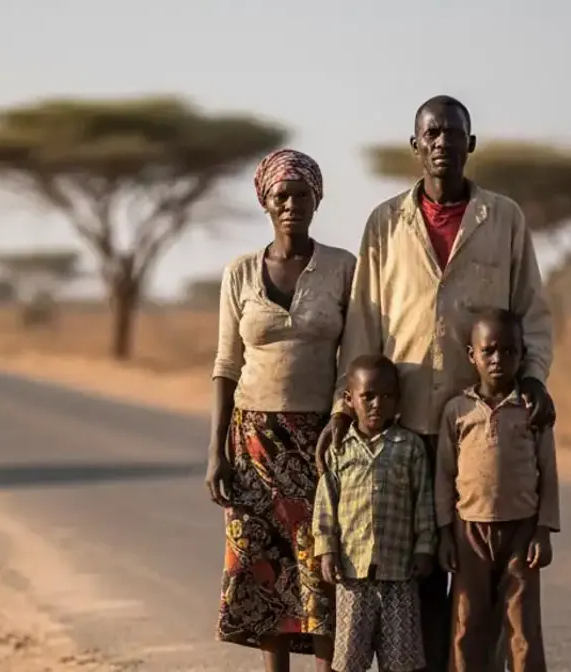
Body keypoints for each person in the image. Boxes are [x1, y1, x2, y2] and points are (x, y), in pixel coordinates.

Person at [315, 95, 557, 672]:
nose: (443, 142)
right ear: (415, 144)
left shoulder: (503, 218)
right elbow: (365, 323)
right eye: (432, 133)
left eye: (454, 133)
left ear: (470, 145)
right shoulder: (385, 222)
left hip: (484, 426)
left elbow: (532, 311)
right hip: (407, 424)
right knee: (417, 569)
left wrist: (534, 378)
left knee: (484, 578)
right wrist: (345, 408)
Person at [206, 149, 356, 672]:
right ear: (265, 203)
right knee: (264, 567)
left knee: (320, 565)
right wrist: (216, 453)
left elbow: (352, 359)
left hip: (320, 437)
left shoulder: (341, 268)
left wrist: (340, 419)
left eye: (302, 194)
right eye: (282, 196)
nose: (292, 204)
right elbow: (227, 363)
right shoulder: (241, 272)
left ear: (318, 199)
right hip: (252, 441)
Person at [436, 309, 560, 672]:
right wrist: (445, 533)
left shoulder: (531, 410)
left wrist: (544, 529)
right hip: (468, 532)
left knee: (521, 628)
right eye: (488, 350)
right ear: (471, 354)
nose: (498, 360)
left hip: (521, 532)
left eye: (509, 351)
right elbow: (444, 476)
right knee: (467, 624)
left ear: (522, 355)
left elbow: (548, 472)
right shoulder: (457, 411)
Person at [314, 354, 435, 672]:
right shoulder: (339, 449)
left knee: (399, 660)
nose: (377, 405)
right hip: (353, 575)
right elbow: (326, 503)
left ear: (398, 400)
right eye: (368, 396)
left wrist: (424, 548)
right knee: (350, 659)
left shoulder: (409, 447)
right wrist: (327, 549)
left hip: (399, 573)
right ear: (349, 399)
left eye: (386, 396)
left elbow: (423, 500)